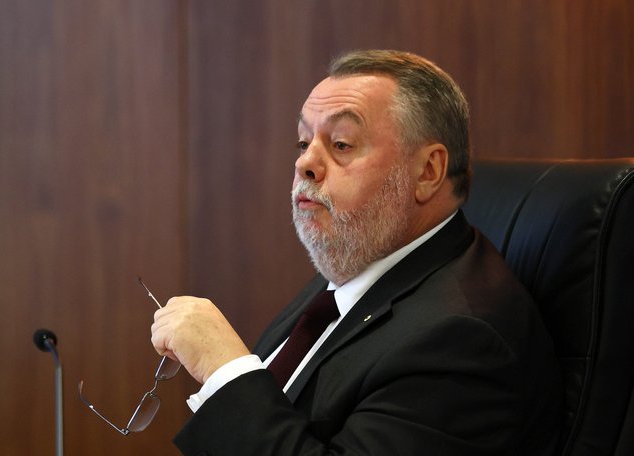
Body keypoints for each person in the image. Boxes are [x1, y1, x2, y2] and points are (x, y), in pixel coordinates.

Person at [151, 49, 563, 455]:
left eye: (342, 144)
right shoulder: (359, 269)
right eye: (303, 141)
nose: (305, 163)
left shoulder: (463, 340)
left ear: (428, 172)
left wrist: (225, 370)